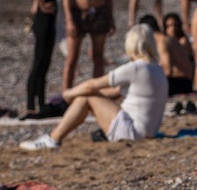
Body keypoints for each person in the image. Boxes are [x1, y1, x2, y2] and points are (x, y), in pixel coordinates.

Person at [19, 24, 168, 150]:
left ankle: (53, 139)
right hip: (149, 132)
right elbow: (115, 92)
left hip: (133, 133)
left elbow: (92, 85)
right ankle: (53, 137)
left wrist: (68, 94)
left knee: (87, 97)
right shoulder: (157, 69)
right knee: (88, 97)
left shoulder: (135, 68)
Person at [24, 0, 65, 119]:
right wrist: (41, 4)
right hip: (43, 17)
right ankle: (31, 105)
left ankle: (41, 102)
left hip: (49, 17)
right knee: (39, 61)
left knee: (46, 61)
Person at [139, 14, 195, 99]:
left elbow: (167, 70)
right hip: (185, 81)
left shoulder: (162, 41)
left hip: (181, 82)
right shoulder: (167, 39)